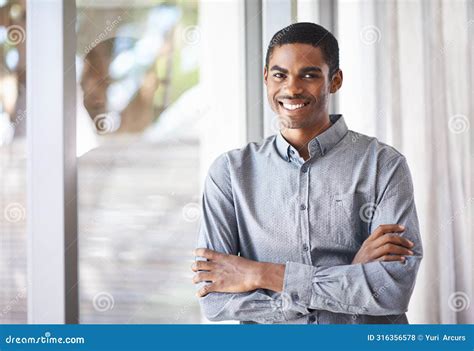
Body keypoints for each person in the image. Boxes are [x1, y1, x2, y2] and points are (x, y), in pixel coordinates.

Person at [192, 22, 422, 324]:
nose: (292, 88)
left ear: (335, 81)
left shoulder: (384, 165)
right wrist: (350, 277)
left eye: (309, 75)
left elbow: (391, 289)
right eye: (280, 75)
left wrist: (260, 274)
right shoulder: (230, 173)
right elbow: (217, 302)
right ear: (266, 79)